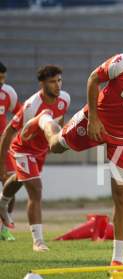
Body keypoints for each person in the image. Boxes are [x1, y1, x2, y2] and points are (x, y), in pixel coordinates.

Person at [18, 32, 123, 264]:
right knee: (56, 146)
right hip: (95, 122)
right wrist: (93, 118)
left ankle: (118, 260)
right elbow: (94, 78)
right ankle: (43, 120)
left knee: (122, 195)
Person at [0, 65, 70, 251]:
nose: (57, 85)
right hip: (22, 150)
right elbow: (8, 133)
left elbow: (61, 119)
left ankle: (2, 202)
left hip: (40, 151)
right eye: (52, 82)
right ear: (42, 84)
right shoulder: (31, 106)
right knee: (36, 189)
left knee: (21, 179)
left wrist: (53, 141)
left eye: (59, 81)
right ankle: (38, 241)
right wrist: (1, 165)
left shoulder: (64, 98)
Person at [0, 61, 22, 241]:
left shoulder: (9, 93)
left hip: (3, 146)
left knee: (10, 184)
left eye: (3, 78)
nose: (1, 82)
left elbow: (19, 114)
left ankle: (4, 229)